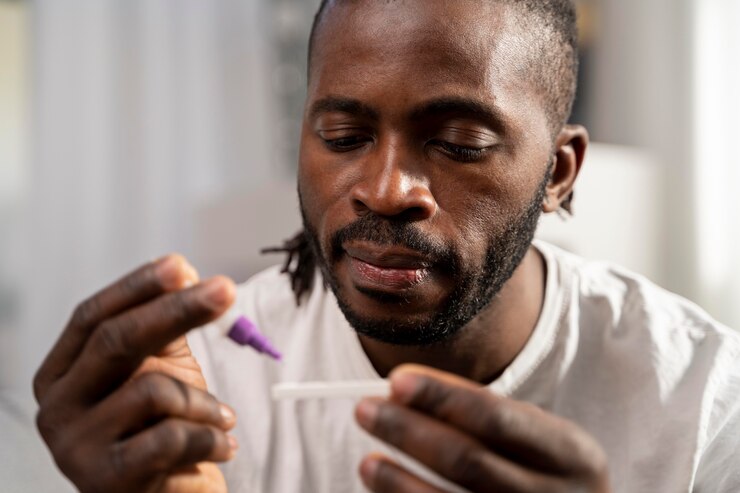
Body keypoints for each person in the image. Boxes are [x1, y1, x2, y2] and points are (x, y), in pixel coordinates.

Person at [33, 0, 740, 492]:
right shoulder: (200, 383)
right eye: (343, 138)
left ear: (557, 173)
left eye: (459, 143)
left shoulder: (704, 402)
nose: (386, 188)